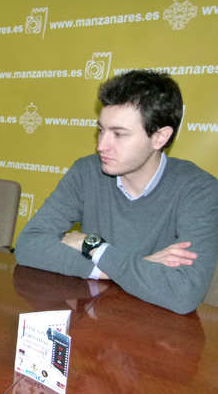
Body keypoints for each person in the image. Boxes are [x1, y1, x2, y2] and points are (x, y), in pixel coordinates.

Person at [15, 70, 218, 314]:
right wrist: (132, 266)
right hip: (91, 319)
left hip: (155, 327)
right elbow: (28, 245)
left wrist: (91, 246)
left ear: (159, 137)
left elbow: (184, 293)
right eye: (101, 130)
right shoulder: (86, 171)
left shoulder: (199, 190)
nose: (101, 146)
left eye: (119, 134)